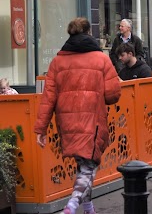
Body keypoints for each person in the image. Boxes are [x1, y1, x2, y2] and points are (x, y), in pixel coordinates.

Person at [34, 17, 121, 214]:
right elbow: (113, 94)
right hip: (92, 119)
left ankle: (88, 207)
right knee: (89, 165)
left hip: (66, 121)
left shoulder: (57, 61)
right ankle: (72, 206)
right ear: (89, 33)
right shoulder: (101, 59)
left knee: (82, 163)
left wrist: (41, 128)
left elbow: (48, 97)